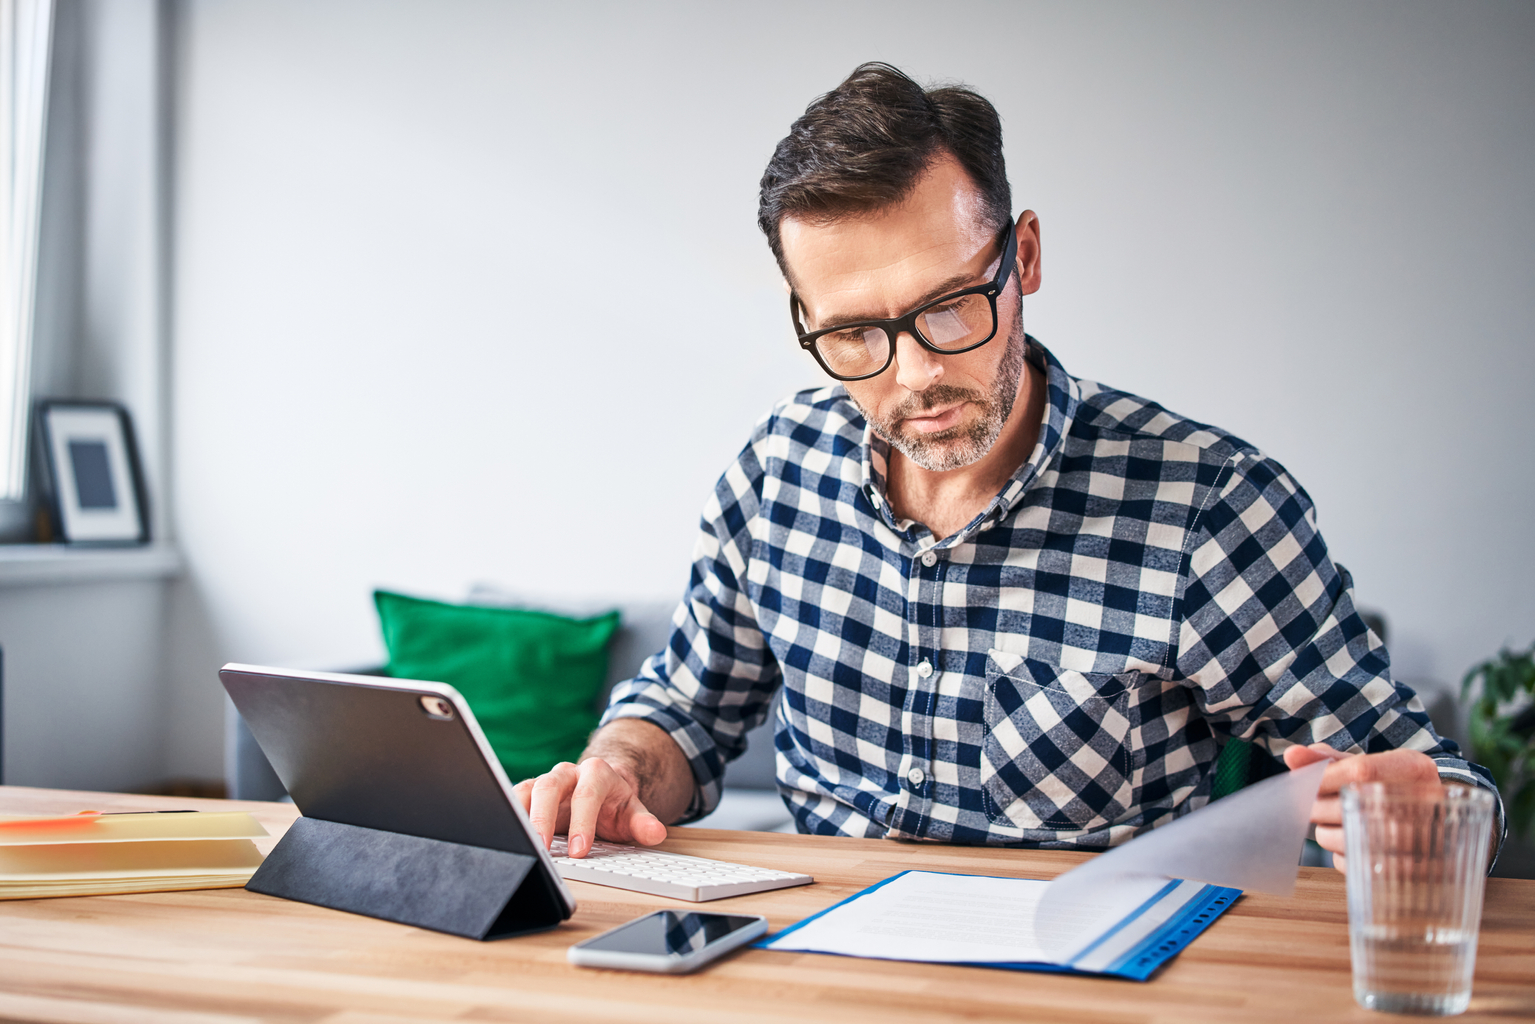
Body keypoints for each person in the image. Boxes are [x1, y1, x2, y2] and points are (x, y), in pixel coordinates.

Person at [515, 63, 1503, 871]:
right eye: (855, 333)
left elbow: (1446, 793)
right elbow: (686, 708)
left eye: (949, 304)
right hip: (815, 978)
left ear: (1020, 256)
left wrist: (1412, 819)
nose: (916, 372)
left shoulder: (1208, 510)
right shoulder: (778, 473)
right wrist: (616, 768)